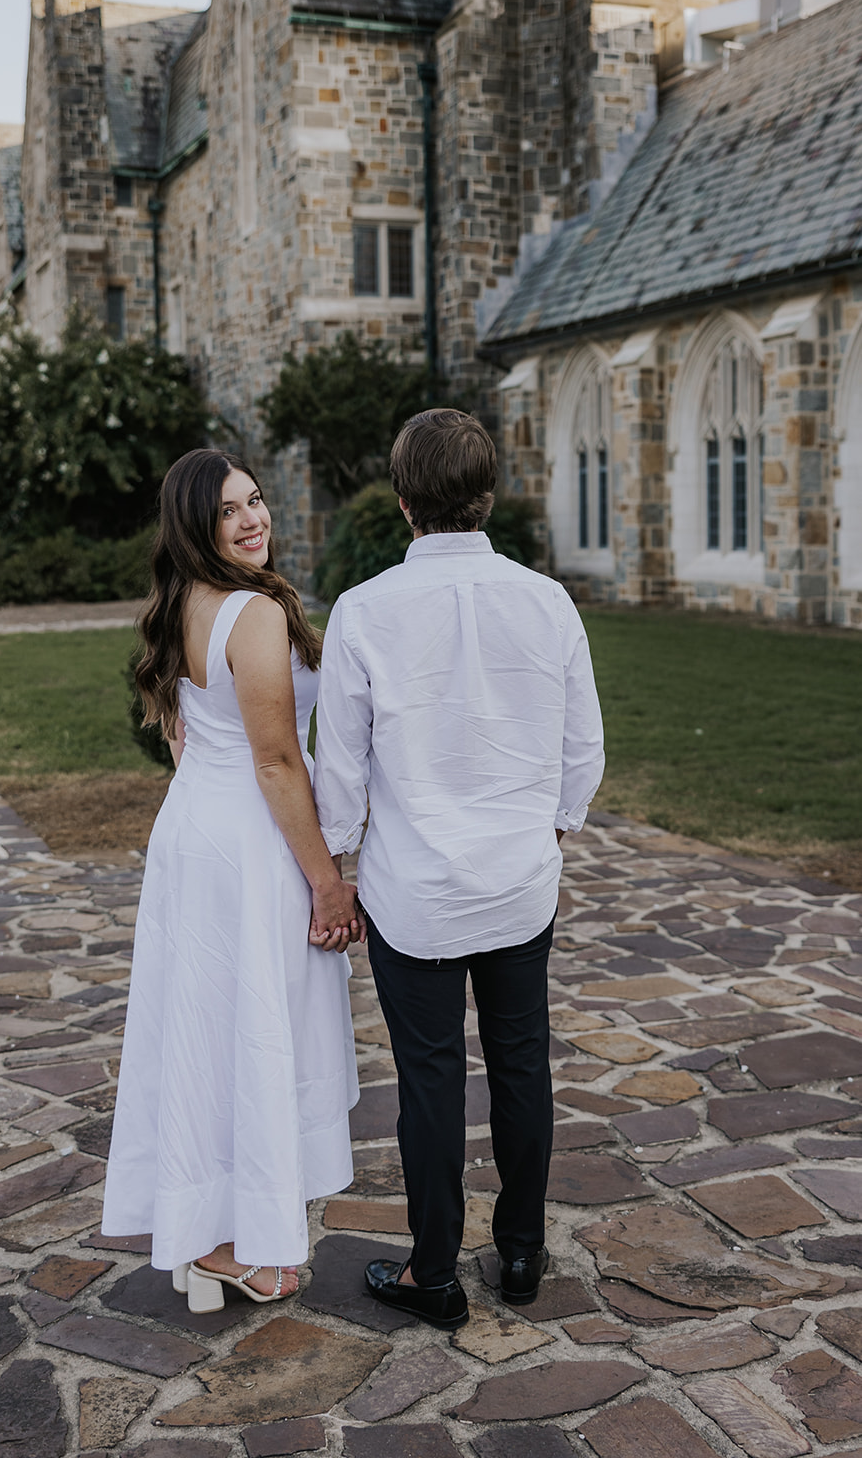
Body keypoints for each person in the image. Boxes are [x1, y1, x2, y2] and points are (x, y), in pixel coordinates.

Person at [314, 408, 604, 1329]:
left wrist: (342, 860)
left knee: (428, 1079)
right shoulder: (547, 600)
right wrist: (554, 825)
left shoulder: (363, 611)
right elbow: (582, 744)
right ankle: (520, 1251)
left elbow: (341, 768)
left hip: (416, 891)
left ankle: (433, 1273)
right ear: (487, 497)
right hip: (519, 882)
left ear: (404, 504)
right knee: (522, 1066)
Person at [101, 448, 360, 1314]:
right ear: (195, 527)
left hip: (191, 833)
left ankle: (213, 1226)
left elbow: (182, 738)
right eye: (228, 513)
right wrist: (325, 882)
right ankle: (222, 1244)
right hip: (249, 843)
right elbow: (278, 761)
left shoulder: (179, 605)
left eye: (255, 502)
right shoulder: (250, 613)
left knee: (204, 1029)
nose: (253, 521)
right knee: (250, 1025)